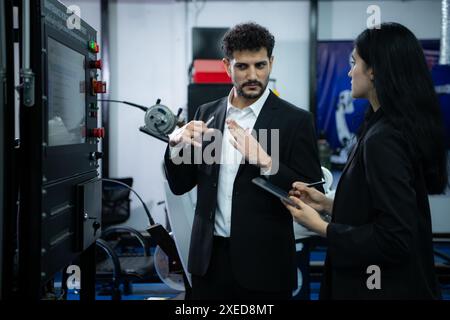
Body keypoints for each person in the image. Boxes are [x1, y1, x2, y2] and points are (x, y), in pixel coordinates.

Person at [284, 22, 448, 299]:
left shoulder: (384, 139)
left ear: (374, 70)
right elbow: (381, 206)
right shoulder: (383, 126)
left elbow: (395, 237)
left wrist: (322, 227)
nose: (349, 71)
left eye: (354, 62)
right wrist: (328, 204)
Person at [164, 22, 323, 299]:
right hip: (209, 264)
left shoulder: (293, 120)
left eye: (260, 65)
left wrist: (265, 160)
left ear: (271, 63)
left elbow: (311, 194)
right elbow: (182, 185)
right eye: (242, 67)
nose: (253, 75)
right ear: (227, 66)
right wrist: (175, 146)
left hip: (265, 267)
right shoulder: (208, 113)